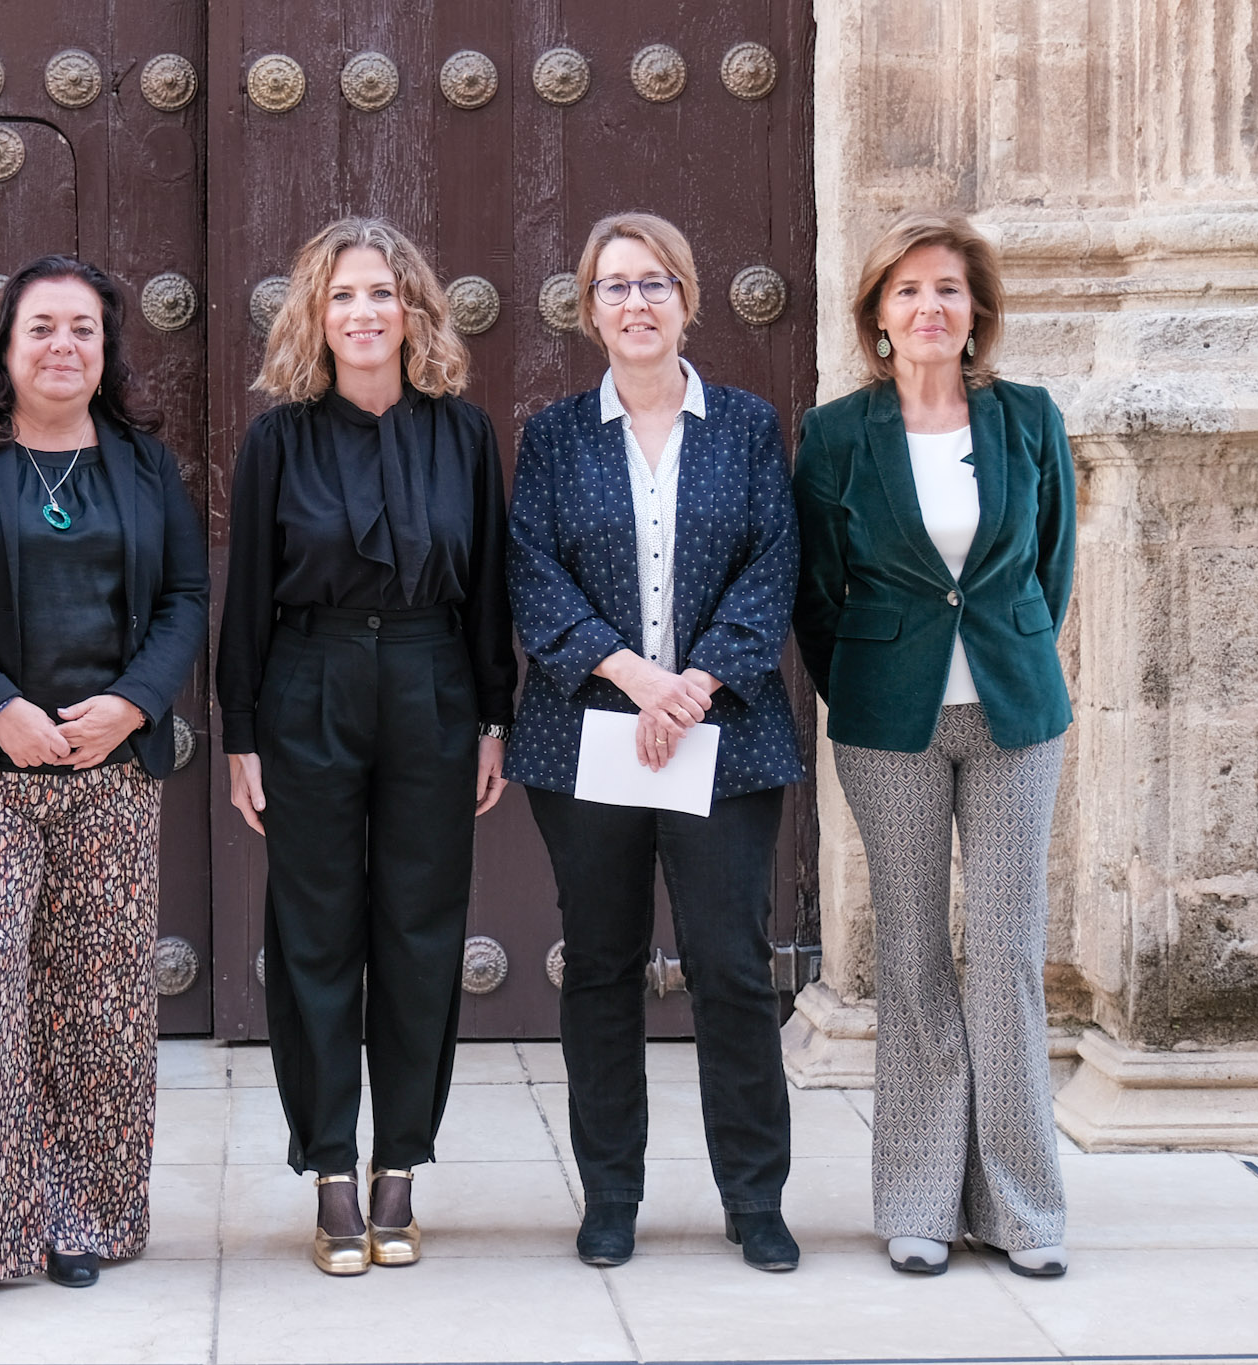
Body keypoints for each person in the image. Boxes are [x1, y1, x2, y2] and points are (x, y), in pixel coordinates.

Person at [0, 255, 206, 1316]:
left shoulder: (146, 465)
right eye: (41, 328)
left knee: (98, 999)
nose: (62, 346)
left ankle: (86, 1218)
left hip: (110, 771)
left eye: (83, 330)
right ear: (3, 346)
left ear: (106, 351)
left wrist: (135, 702)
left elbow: (187, 598)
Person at [505, 212, 805, 1273]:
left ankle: (754, 1199)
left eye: (653, 283)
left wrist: (693, 687)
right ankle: (610, 1198)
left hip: (724, 737)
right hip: (585, 741)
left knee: (728, 965)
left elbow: (773, 565)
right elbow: (531, 574)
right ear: (588, 313)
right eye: (613, 287)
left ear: (687, 298)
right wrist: (632, 679)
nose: (635, 303)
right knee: (598, 967)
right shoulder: (551, 437)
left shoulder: (746, 427)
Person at [217, 217, 517, 1276]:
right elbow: (246, 593)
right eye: (341, 296)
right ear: (315, 313)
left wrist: (493, 717)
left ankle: (401, 1162)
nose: (362, 313)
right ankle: (330, 1170)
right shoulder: (279, 439)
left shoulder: (462, 434)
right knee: (313, 932)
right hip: (311, 682)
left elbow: (487, 594)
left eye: (381, 294)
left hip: (432, 682)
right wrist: (240, 733)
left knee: (421, 929)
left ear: (412, 311)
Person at [792, 211, 1076, 1279]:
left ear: (975, 313)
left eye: (947, 290)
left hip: (1013, 714)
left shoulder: (1028, 419)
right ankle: (915, 1198)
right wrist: (865, 685)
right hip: (887, 724)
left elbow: (1048, 570)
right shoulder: (832, 435)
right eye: (906, 291)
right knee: (909, 959)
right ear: (875, 316)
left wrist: (1012, 653)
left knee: (1002, 958)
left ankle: (1020, 1209)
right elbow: (816, 594)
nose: (927, 308)